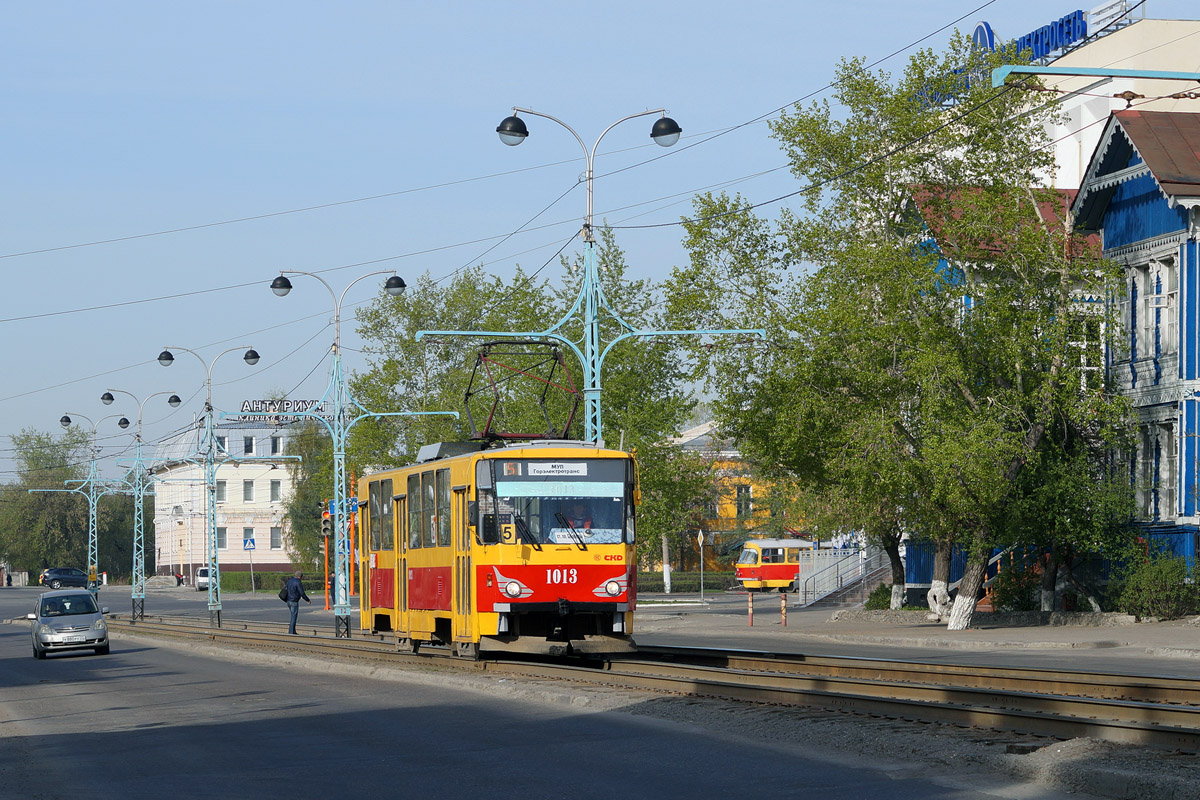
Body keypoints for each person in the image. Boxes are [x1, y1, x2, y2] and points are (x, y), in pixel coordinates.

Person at [284, 570, 311, 635]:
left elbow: (285, 589)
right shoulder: (298, 582)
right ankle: (291, 632)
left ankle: (293, 631)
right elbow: (302, 592)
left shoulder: (290, 581)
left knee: (292, 615)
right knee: (294, 617)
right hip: (294, 601)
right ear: (300, 576)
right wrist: (307, 600)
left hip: (288, 601)